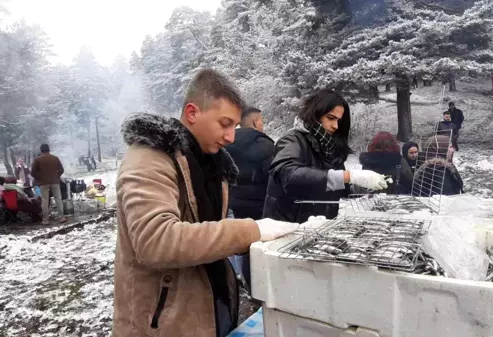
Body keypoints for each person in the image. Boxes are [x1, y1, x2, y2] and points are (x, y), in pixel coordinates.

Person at [113, 69, 299, 337]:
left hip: (210, 309)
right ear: (192, 113)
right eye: (224, 124)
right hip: (162, 323)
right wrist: (251, 231)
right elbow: (156, 241)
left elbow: (210, 232)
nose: (231, 137)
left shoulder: (214, 163)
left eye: (234, 126)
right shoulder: (150, 156)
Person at [263, 89, 388, 223]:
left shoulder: (329, 146)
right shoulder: (292, 140)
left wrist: (358, 185)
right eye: (330, 118)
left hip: (317, 224)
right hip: (286, 226)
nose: (335, 126)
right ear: (315, 114)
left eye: (339, 121)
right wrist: (349, 176)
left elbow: (333, 186)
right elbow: (289, 174)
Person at [225, 107, 274, 290]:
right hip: (259, 204)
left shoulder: (226, 142)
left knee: (237, 240)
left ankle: (237, 276)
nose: (262, 124)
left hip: (233, 202)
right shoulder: (264, 144)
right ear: (255, 122)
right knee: (257, 244)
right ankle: (257, 285)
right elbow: (273, 177)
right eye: (261, 120)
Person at [31, 144, 66, 224]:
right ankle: (62, 217)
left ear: (41, 150)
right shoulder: (55, 158)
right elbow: (61, 170)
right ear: (49, 149)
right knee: (58, 199)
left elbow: (33, 173)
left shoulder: (37, 159)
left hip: (43, 183)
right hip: (55, 182)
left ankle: (45, 219)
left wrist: (39, 178)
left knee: (45, 200)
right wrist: (57, 176)